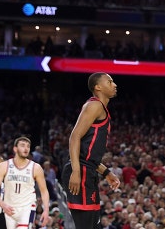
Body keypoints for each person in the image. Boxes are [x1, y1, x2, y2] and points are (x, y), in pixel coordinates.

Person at [61, 72, 121, 229]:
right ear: (98, 87)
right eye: (110, 82)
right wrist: (76, 171)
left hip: (89, 169)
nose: (114, 85)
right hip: (81, 170)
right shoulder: (94, 105)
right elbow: (74, 137)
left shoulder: (102, 110)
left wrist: (107, 173)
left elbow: (89, 154)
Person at [0, 137, 50, 229]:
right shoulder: (4, 166)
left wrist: (46, 210)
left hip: (27, 207)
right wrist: (3, 205)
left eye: (28, 146)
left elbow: (44, 191)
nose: (26, 149)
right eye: (22, 145)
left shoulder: (36, 167)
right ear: (15, 149)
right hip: (9, 208)